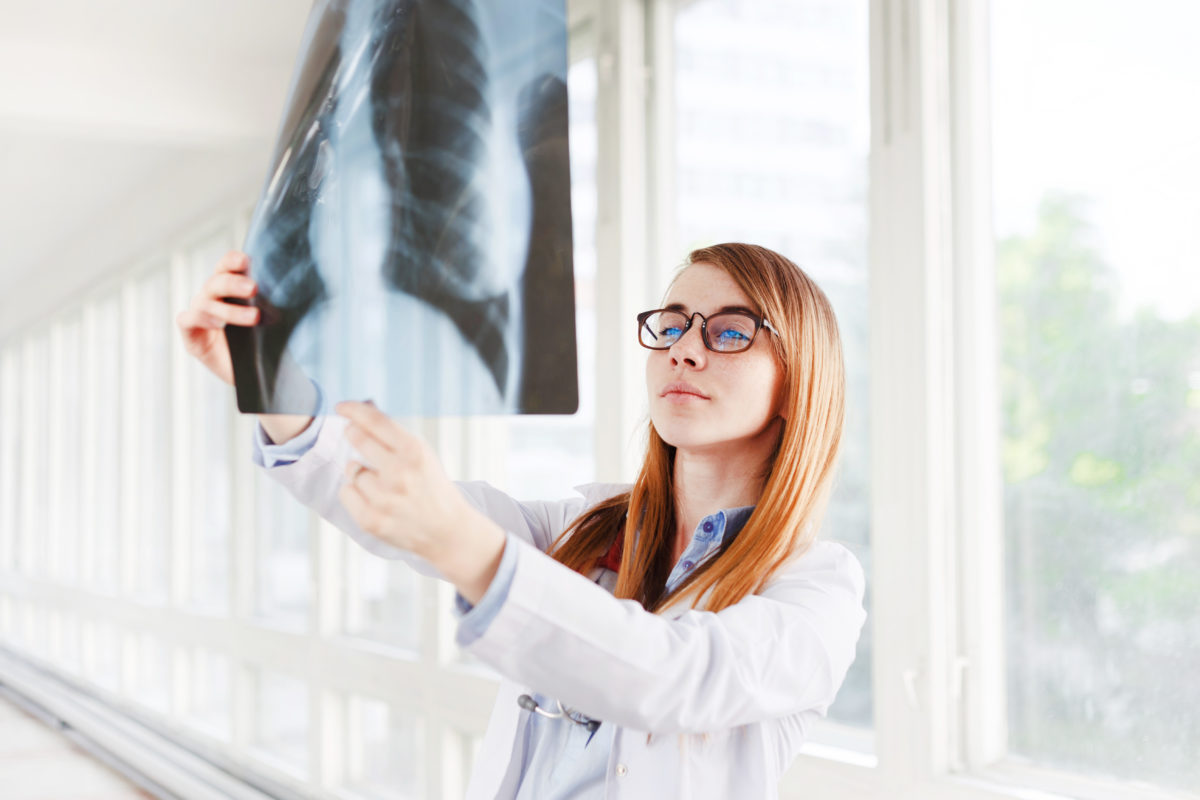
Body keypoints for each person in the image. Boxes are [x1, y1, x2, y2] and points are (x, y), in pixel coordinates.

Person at [176, 242, 866, 799]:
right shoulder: (581, 528)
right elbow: (388, 500)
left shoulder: (815, 591)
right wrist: (265, 379)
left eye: (732, 331)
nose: (684, 347)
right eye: (674, 321)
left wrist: (464, 543)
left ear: (797, 381)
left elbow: (671, 676)